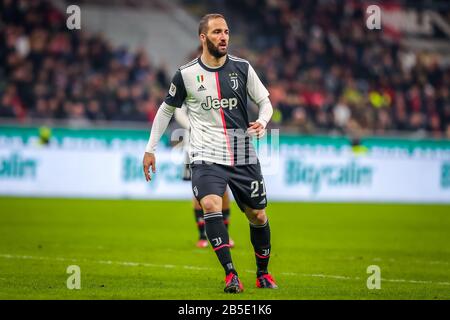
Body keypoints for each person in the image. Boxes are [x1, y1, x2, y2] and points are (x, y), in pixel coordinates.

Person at [143, 13, 277, 293]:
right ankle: (231, 275)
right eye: (217, 32)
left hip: (241, 152)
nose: (224, 36)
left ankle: (263, 273)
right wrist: (150, 149)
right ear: (203, 38)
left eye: (226, 31)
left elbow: (265, 102)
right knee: (211, 206)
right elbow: (166, 110)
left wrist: (263, 121)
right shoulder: (186, 74)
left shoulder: (242, 68)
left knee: (258, 216)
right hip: (204, 154)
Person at [174, 106, 235, 249]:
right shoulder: (188, 85)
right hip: (194, 148)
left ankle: (225, 234)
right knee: (197, 192)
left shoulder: (219, 88)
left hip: (220, 147)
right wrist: (193, 125)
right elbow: (179, 111)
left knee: (224, 189)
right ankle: (202, 236)